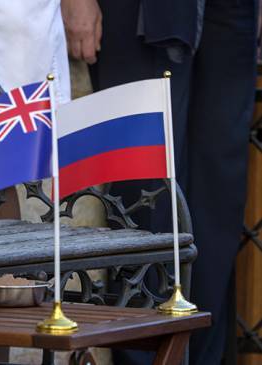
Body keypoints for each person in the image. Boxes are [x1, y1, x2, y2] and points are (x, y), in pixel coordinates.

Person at [61, 0, 258, 364]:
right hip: (135, 11)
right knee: (144, 192)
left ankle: (203, 358)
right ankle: (144, 356)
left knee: (219, 195)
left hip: (231, 13)